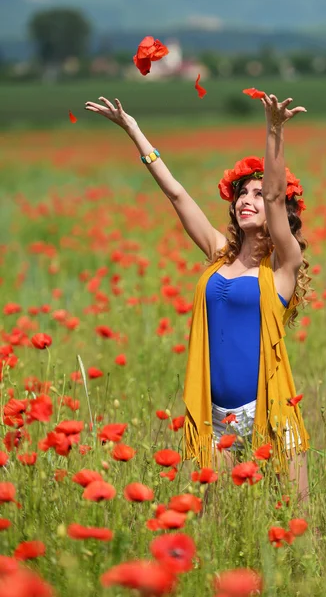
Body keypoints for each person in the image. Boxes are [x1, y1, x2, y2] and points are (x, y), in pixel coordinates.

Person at [85, 92, 310, 502]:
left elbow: (277, 196)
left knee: (296, 525)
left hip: (271, 413)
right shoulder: (217, 254)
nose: (247, 199)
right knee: (212, 524)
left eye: (257, 194)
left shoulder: (282, 268)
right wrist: (133, 129)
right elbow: (176, 195)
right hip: (217, 419)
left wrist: (274, 132)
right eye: (243, 192)